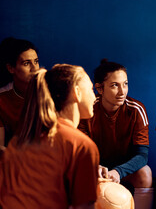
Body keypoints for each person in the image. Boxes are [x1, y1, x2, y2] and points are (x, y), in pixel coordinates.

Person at [0, 64, 99, 209]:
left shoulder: (18, 141)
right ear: (76, 93)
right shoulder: (81, 145)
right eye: (91, 89)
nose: (95, 97)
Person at [79, 59, 153, 208]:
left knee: (145, 173)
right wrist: (94, 166)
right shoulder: (87, 110)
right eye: (114, 85)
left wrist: (119, 171)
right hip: (97, 167)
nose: (122, 91)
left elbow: (142, 155)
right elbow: (81, 151)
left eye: (125, 84)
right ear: (100, 89)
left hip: (124, 167)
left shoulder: (136, 110)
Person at [0, 37, 40, 147]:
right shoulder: (2, 99)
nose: (34, 69)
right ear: (11, 68)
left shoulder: (50, 93)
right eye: (26, 63)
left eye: (36, 62)